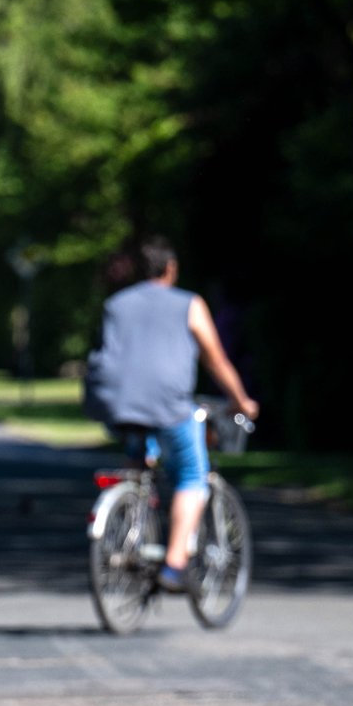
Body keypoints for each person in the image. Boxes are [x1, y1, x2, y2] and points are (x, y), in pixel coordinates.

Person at [84, 237, 260, 591]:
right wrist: (241, 399)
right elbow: (215, 358)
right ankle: (174, 564)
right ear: (170, 269)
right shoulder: (189, 304)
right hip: (169, 404)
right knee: (192, 474)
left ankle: (131, 512)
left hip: (115, 403)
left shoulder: (116, 303)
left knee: (139, 454)